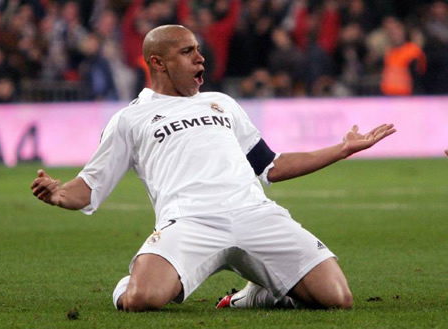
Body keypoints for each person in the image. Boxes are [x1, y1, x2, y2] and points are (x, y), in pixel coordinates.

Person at [31, 25, 396, 312]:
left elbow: (271, 166)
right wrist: (60, 194)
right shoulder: (130, 119)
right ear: (157, 62)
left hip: (254, 215)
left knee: (337, 298)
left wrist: (341, 149)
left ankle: (255, 295)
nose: (200, 59)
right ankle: (134, 280)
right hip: (191, 222)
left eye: (199, 51)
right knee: (140, 300)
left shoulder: (220, 103)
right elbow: (89, 188)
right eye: (187, 52)